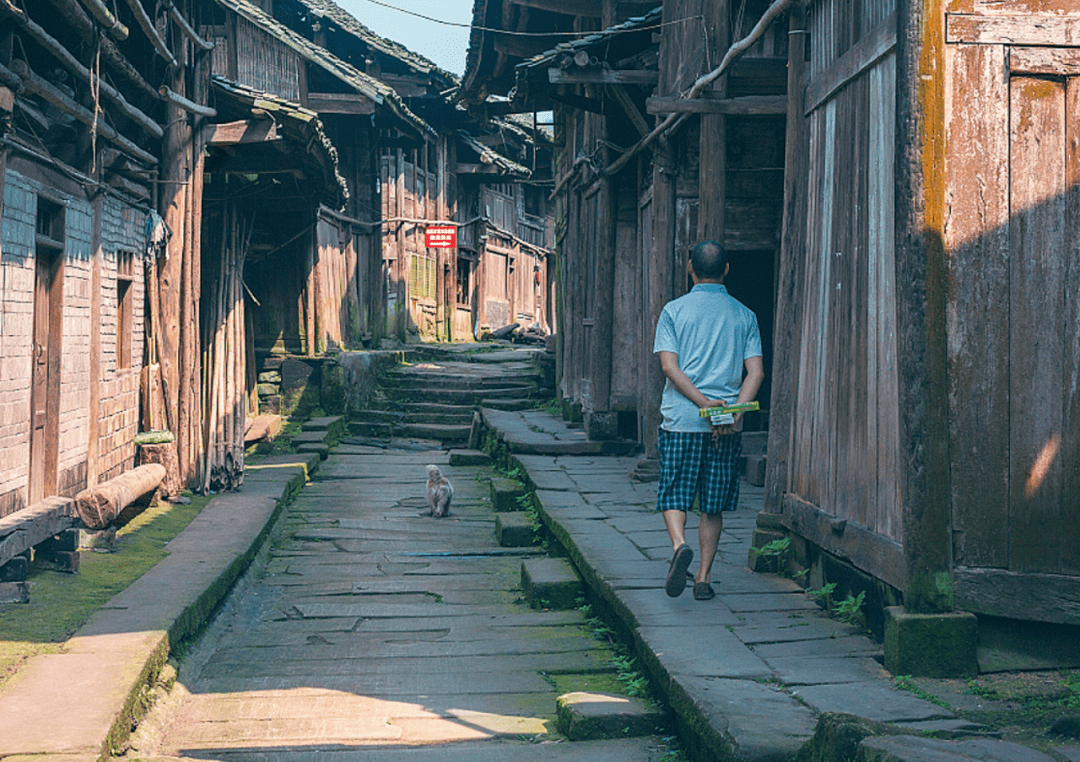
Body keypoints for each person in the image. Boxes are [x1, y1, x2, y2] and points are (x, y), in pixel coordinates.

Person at [654, 240, 764, 600]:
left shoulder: (673, 311)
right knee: (712, 505)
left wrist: (703, 404)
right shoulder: (745, 315)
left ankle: (678, 546)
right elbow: (756, 373)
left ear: (690, 268)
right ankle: (702, 579)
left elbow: (669, 366)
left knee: (675, 494)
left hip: (682, 420)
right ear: (727, 270)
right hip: (726, 427)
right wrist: (729, 411)